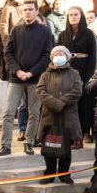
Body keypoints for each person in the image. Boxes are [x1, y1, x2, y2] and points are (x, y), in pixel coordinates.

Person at [0, 0, 54, 156]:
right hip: (16, 79)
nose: (27, 12)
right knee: (9, 112)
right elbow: (8, 53)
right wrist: (17, 71)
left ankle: (29, 142)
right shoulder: (16, 30)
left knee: (34, 113)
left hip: (35, 79)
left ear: (37, 11)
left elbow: (46, 56)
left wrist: (31, 72)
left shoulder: (44, 31)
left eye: (30, 9)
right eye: (25, 10)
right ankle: (5, 145)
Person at [35, 46, 83, 184]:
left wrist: (61, 103)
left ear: (67, 57)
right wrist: (55, 104)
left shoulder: (74, 73)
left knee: (66, 148)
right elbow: (40, 91)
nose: (58, 56)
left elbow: (77, 91)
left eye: (61, 54)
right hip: (49, 116)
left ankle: (64, 174)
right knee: (49, 146)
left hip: (68, 116)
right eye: (56, 54)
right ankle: (49, 174)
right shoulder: (45, 75)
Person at [59, 6, 97, 145]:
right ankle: (70, 132)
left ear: (81, 16)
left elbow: (93, 56)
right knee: (70, 102)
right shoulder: (63, 35)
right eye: (70, 15)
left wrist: (89, 77)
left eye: (76, 14)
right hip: (68, 70)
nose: (73, 17)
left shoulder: (88, 34)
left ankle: (85, 131)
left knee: (85, 102)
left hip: (84, 69)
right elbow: (58, 52)